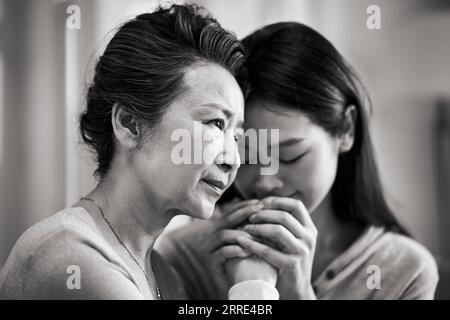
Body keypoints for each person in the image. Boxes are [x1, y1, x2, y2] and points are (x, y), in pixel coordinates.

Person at [0, 4, 274, 299]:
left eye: (237, 136)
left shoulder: (165, 276)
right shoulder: (69, 255)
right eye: (216, 123)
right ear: (129, 124)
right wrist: (254, 286)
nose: (232, 160)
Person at [156, 22, 439, 299]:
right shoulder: (183, 256)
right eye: (249, 155)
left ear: (346, 130)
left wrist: (298, 294)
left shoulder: (404, 272)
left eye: (290, 155)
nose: (266, 181)